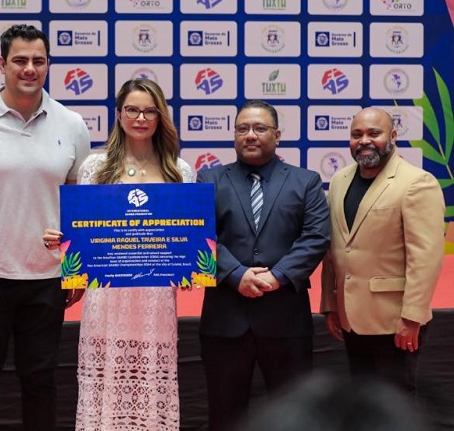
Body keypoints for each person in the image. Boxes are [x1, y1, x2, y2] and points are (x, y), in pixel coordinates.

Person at [0, 24, 90, 431]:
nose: (29, 69)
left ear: (48, 66)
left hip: (47, 277)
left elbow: (79, 207)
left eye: (38, 61)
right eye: (20, 61)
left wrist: (76, 268)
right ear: (1, 65)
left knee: (41, 380)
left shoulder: (73, 124)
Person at [43, 78, 193, 429]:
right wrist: (62, 241)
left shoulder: (179, 172)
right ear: (119, 114)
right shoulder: (96, 168)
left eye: (149, 110)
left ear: (160, 116)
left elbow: (187, 237)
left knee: (152, 386)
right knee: (105, 386)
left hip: (156, 298)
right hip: (107, 296)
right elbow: (84, 232)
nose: (140, 118)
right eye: (132, 110)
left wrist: (191, 265)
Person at [197, 99, 330, 431]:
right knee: (226, 417)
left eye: (259, 128)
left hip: (286, 320)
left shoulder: (306, 181)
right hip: (225, 320)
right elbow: (199, 235)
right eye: (242, 129)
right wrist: (236, 274)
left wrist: (278, 276)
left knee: (296, 418)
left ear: (278, 135)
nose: (250, 135)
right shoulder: (209, 179)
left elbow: (316, 237)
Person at [320, 107, 444, 393]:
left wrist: (412, 317)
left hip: (395, 321)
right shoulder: (339, 180)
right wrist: (330, 304)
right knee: (365, 403)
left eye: (374, 133)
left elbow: (424, 258)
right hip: (351, 317)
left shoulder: (417, 183)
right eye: (356, 134)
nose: (364, 140)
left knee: (395, 406)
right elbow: (334, 249)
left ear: (393, 136)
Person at [239, 372, 431, 431]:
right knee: (223, 406)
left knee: (292, 408)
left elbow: (304, 272)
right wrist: (237, 278)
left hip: (290, 319)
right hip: (218, 324)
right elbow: (206, 278)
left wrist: (279, 277)